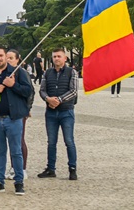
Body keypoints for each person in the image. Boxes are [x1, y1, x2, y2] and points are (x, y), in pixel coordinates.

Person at [0, 47, 32, 195]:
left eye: (1, 55)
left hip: (13, 119)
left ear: (5, 56)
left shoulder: (18, 72)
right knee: (0, 151)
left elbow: (28, 91)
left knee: (16, 151)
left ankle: (19, 182)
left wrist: (13, 85)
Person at [38, 48, 78, 181]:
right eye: (54, 56)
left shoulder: (71, 72)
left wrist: (59, 100)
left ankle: (72, 168)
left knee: (69, 141)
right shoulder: (47, 73)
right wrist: (47, 99)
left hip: (66, 111)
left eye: (59, 56)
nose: (56, 59)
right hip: (50, 112)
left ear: (65, 58)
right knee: (51, 142)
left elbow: (73, 91)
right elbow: (42, 90)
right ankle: (51, 168)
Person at [5, 49, 35, 181]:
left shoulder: (21, 73)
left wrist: (27, 108)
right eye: (7, 57)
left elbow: (29, 92)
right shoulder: (3, 73)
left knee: (19, 140)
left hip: (19, 111)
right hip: (6, 111)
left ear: (17, 60)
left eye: (11, 58)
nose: (8, 60)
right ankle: (12, 167)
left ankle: (21, 168)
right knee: (9, 141)